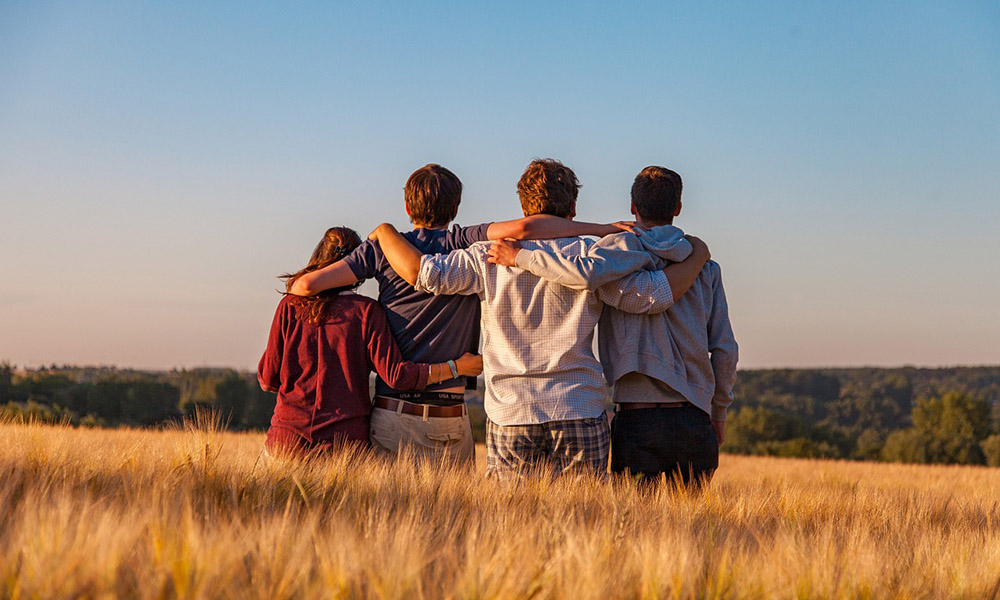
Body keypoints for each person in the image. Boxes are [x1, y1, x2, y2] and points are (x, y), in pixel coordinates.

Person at [368, 159, 711, 479]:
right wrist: (697, 256)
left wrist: (385, 232)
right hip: (578, 405)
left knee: (512, 525)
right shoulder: (593, 256)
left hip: (511, 411)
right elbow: (651, 297)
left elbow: (425, 274)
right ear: (573, 208)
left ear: (523, 207)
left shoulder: (485, 256)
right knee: (584, 523)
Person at [286, 164, 636, 463]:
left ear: (407, 206)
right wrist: (601, 229)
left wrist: (380, 235)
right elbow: (527, 229)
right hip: (451, 415)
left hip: (394, 411)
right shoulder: (464, 241)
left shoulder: (382, 249)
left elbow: (305, 288)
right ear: (455, 208)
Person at [488, 166, 738, 486]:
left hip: (637, 420)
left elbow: (585, 275)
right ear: (677, 208)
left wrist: (521, 257)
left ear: (633, 206)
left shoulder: (612, 256)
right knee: (693, 531)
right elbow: (725, 349)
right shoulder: (705, 267)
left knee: (631, 527)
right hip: (695, 418)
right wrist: (719, 412)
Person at [257, 226, 483, 458]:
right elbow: (397, 376)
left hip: (287, 440)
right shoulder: (366, 312)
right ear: (358, 267)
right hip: (344, 445)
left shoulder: (290, 306)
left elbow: (268, 379)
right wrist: (457, 367)